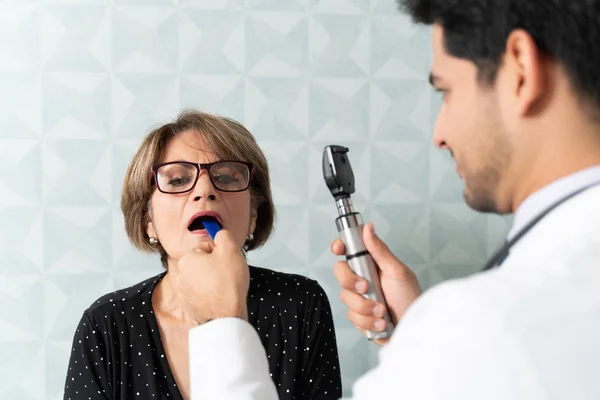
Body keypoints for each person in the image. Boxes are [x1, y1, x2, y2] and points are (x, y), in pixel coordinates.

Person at [184, 0, 600, 399]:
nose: (439, 134)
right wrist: (420, 340)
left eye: (446, 92)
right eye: (177, 178)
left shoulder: (491, 323)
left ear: (520, 70)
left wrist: (222, 324)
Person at [62, 110, 342, 400]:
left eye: (227, 177)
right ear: (149, 221)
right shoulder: (105, 325)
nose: (205, 189)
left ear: (253, 217)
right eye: (178, 180)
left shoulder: (300, 303)